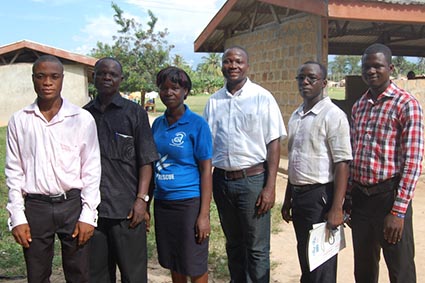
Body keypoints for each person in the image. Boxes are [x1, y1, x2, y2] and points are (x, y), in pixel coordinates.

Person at [5, 55, 101, 282]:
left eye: (54, 77)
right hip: (36, 207)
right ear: (33, 80)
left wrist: (89, 214)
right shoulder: (19, 120)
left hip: (72, 205)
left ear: (62, 80)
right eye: (41, 76)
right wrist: (17, 216)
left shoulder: (81, 118)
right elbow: (13, 171)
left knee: (79, 273)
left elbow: (91, 169)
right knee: (37, 274)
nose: (47, 82)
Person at [203, 46, 287, 283]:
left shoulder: (262, 97)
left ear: (247, 66)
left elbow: (274, 143)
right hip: (222, 181)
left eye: (238, 62)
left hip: (252, 182)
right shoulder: (214, 102)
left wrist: (269, 187)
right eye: (228, 62)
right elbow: (207, 147)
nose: (233, 66)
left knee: (257, 247)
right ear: (222, 66)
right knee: (234, 244)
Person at [349, 43, 424, 283]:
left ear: (390, 68)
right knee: (364, 268)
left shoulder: (406, 104)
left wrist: (398, 211)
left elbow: (413, 162)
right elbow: (353, 153)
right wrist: (349, 199)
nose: (371, 71)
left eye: (377, 66)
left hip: (388, 198)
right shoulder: (359, 106)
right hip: (361, 198)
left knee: (400, 269)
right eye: (366, 66)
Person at [84, 57, 158, 283]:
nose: (107, 77)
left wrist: (141, 200)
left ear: (121, 79)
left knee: (133, 275)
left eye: (113, 74)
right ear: (93, 77)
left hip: (127, 211)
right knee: (97, 275)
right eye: (102, 73)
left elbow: (146, 160)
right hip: (93, 211)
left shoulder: (134, 113)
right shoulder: (83, 116)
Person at [281, 61, 352, 282]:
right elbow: (295, 160)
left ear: (323, 82)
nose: (305, 82)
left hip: (321, 197)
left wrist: (336, 208)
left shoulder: (333, 115)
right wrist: (288, 198)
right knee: (306, 259)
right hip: (300, 196)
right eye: (301, 78)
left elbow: (342, 163)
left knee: (321, 264)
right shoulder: (297, 115)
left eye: (311, 78)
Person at [152, 66, 213, 283]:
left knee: (194, 263)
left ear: (185, 91)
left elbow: (206, 170)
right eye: (164, 88)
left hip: (188, 204)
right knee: (174, 260)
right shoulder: (157, 125)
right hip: (163, 203)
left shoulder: (197, 125)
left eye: (175, 88)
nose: (169, 92)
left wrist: (203, 215)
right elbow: (151, 165)